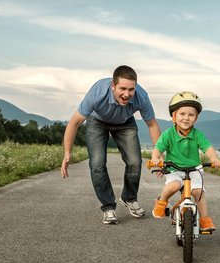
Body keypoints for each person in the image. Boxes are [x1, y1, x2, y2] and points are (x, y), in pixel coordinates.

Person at [61, 65, 161, 225]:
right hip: (97, 121)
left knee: (135, 162)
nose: (127, 94)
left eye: (131, 89)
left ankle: (129, 198)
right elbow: (74, 122)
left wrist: (158, 154)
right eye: (122, 88)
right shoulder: (97, 93)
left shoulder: (141, 96)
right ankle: (108, 207)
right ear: (113, 86)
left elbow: (152, 125)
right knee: (97, 164)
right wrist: (67, 152)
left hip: (125, 122)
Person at [150, 91, 220, 231]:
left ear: (196, 118)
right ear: (174, 116)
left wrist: (214, 158)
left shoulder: (198, 135)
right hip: (174, 168)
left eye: (191, 115)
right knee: (174, 186)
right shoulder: (168, 134)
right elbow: (158, 149)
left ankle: (205, 220)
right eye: (182, 114)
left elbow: (208, 148)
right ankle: (161, 202)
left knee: (198, 192)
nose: (186, 118)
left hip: (194, 169)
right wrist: (155, 159)